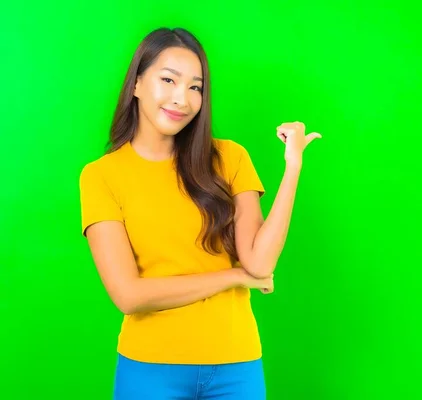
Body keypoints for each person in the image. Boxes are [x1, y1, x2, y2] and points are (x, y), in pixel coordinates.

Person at [78, 27, 321, 400]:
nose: (183, 98)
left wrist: (293, 167)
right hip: (150, 368)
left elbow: (259, 263)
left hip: (236, 364)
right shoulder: (101, 176)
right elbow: (128, 295)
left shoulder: (230, 158)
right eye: (168, 80)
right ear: (137, 83)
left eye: (195, 87)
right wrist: (232, 276)